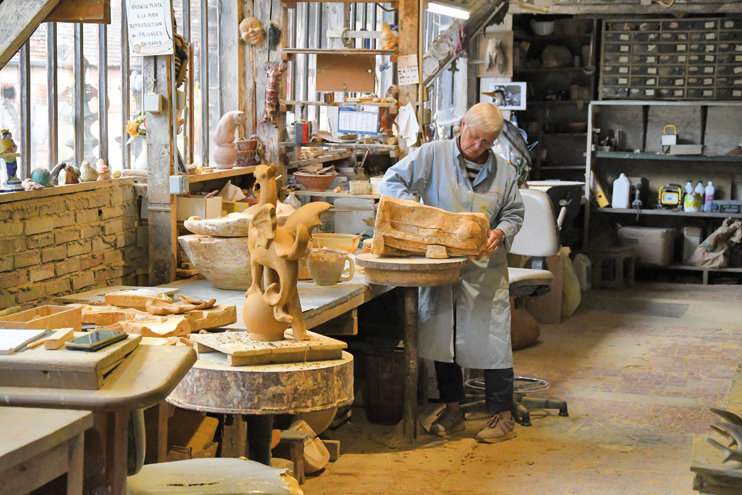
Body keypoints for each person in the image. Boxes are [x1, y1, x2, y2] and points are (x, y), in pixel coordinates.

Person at [379, 103, 524, 443]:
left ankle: (503, 415)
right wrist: (414, 210)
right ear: (463, 126)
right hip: (442, 265)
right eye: (474, 138)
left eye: (488, 142)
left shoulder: (504, 171)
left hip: (484, 271)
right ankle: (452, 409)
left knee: (493, 340)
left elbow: (514, 214)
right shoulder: (432, 155)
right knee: (444, 338)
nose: (479, 147)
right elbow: (392, 180)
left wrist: (499, 233)